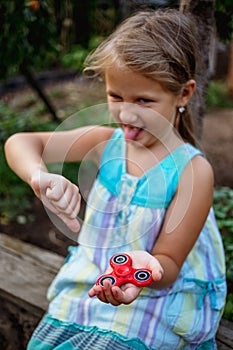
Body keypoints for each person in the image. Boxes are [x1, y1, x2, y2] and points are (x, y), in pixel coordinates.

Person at [4, 9, 226, 350]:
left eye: (143, 100)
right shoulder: (104, 144)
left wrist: (147, 269)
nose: (125, 113)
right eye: (115, 97)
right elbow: (20, 143)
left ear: (183, 94)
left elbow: (167, 263)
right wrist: (40, 177)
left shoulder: (192, 172)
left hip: (154, 299)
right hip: (91, 283)